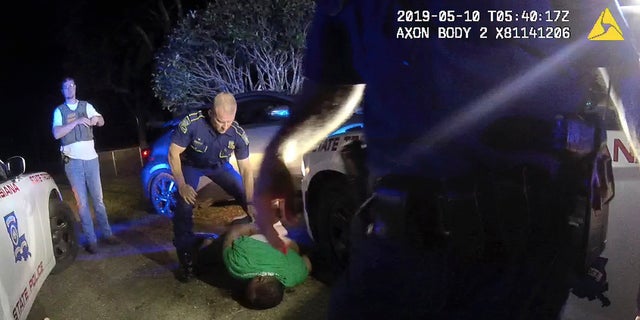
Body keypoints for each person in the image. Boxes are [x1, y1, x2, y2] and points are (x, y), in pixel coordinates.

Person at [254, 1, 640, 319]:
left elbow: (627, 72)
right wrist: (282, 150)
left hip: (518, 266)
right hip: (393, 253)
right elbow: (336, 81)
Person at [169, 92, 256, 282]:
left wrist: (249, 201)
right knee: (183, 206)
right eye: (220, 121)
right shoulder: (192, 123)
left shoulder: (237, 133)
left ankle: (258, 242)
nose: (224, 126)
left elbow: (247, 171)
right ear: (210, 113)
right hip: (192, 166)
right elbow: (173, 154)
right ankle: (187, 259)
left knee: (248, 197)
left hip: (220, 167)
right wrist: (182, 184)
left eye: (229, 122)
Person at [52, 77, 117, 254]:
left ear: (76, 88)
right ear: (62, 91)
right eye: (66, 87)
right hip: (72, 162)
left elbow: (102, 121)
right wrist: (76, 122)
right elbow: (57, 133)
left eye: (72, 85)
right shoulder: (59, 111)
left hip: (91, 160)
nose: (70, 89)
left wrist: (96, 119)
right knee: (82, 203)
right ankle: (91, 240)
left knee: (98, 200)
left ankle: (108, 234)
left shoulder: (86, 106)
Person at [220, 222, 311, 309]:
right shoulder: (236, 267)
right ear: (261, 279)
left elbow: (307, 261)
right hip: (262, 234)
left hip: (286, 239)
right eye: (248, 285)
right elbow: (234, 232)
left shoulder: (295, 277)